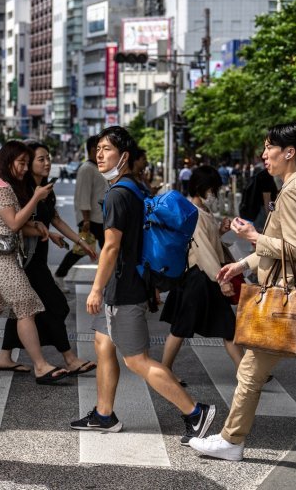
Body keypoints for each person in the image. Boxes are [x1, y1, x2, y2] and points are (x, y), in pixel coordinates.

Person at [71, 127, 216, 446]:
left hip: (123, 288)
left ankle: (195, 413)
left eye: (107, 149)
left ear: (123, 156)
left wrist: (96, 288)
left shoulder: (118, 194)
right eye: (97, 148)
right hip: (130, 282)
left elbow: (111, 247)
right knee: (102, 342)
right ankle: (104, 414)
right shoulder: (133, 189)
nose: (99, 154)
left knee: (137, 360)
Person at [190, 121, 296, 462]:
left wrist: (251, 236)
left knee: (249, 371)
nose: (263, 155)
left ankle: (231, 440)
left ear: (289, 152)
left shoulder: (294, 191)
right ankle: (231, 440)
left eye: (269, 148)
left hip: (287, 301)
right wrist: (243, 264)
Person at [0, 140, 69, 383]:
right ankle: (41, 366)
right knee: (26, 307)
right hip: (1, 263)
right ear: (7, 161)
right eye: (21, 163)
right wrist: (36, 198)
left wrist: (43, 230)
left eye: (25, 163)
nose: (24, 168)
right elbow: (12, 223)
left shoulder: (7, 186)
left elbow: (12, 225)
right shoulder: (0, 187)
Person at [0, 142, 98, 375]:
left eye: (48, 158)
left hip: (37, 258)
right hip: (24, 260)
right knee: (55, 306)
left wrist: (81, 242)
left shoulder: (46, 190)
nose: (47, 162)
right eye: (41, 159)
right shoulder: (23, 191)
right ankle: (69, 358)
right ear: (29, 164)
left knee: (23, 309)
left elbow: (56, 220)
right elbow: (16, 224)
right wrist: (44, 230)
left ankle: (4, 356)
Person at [160, 166, 243, 376]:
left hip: (204, 276)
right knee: (181, 328)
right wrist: (222, 280)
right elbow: (203, 250)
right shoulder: (193, 212)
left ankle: (246, 373)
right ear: (201, 187)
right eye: (212, 190)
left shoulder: (202, 212)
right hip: (199, 277)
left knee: (226, 327)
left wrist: (220, 231)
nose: (213, 195)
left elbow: (207, 241)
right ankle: (164, 372)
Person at [54, 136, 108, 292]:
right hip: (90, 219)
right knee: (83, 250)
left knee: (104, 249)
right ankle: (59, 274)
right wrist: (86, 219)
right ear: (93, 150)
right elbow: (84, 195)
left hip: (98, 217)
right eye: (101, 148)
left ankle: (108, 279)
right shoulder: (87, 169)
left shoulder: (97, 167)